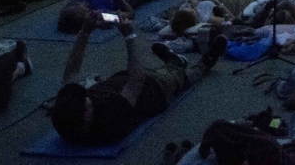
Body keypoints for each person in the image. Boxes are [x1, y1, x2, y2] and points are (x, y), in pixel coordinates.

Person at [50, 11, 223, 146]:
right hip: (153, 90)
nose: (88, 97)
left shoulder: (64, 112)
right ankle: (205, 62)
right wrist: (130, 36)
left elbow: (71, 72)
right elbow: (137, 80)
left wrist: (85, 32)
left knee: (160, 69)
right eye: (87, 102)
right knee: (181, 77)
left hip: (121, 80)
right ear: (87, 115)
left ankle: (172, 60)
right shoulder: (110, 122)